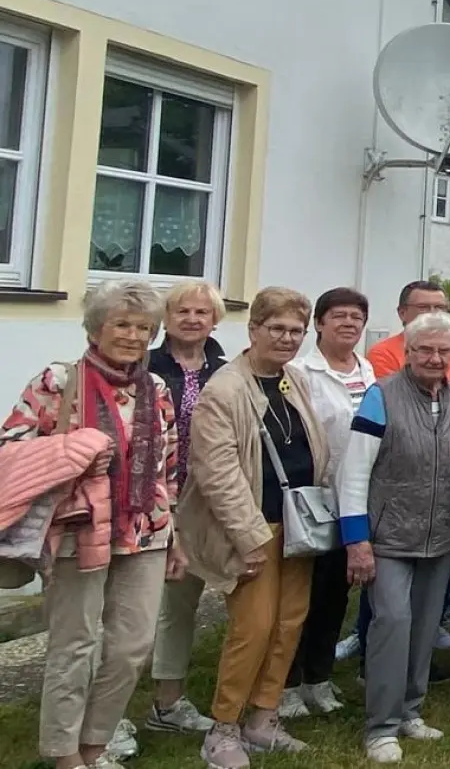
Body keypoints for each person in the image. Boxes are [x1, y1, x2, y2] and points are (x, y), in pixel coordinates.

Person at [2, 281, 178, 769]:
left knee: (133, 646)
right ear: (96, 328)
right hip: (77, 528)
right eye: (122, 324)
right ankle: (65, 755)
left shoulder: (156, 388)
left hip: (145, 529)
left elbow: (168, 465)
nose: (133, 336)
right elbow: (11, 445)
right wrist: (73, 452)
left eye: (144, 328)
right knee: (74, 645)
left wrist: (175, 531)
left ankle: (94, 745)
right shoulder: (58, 380)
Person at [183, 287, 330, 767]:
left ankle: (264, 718)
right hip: (253, 527)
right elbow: (217, 473)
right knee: (254, 627)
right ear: (253, 330)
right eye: (277, 329)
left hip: (297, 525)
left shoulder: (293, 380)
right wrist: (249, 539)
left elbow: (313, 446)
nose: (287, 339)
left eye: (296, 331)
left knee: (289, 623)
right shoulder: (224, 390)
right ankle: (223, 728)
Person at [338, 311, 450, 764]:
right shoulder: (381, 395)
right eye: (425, 349)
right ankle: (380, 727)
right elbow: (353, 472)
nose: (435, 358)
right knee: (392, 622)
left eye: (445, 351)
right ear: (409, 351)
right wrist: (356, 540)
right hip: (388, 535)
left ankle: (410, 711)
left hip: (441, 534)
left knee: (424, 627)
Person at [282, 287, 375, 719]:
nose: (349, 323)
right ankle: (285, 684)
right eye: (339, 315)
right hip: (315, 500)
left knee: (336, 596)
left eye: (356, 317)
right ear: (319, 323)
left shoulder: (367, 370)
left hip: (356, 499)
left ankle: (318, 678)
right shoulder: (300, 372)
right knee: (300, 598)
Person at [145, 281, 227, 738]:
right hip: (160, 498)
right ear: (167, 317)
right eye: (183, 311)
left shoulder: (226, 370)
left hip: (213, 499)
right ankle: (154, 703)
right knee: (156, 603)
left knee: (196, 599)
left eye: (202, 312)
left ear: (215, 320)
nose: (193, 319)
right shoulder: (146, 366)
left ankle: (181, 700)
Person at [365, 281, 450, 395]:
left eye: (439, 308)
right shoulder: (383, 354)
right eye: (423, 307)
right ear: (402, 313)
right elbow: (392, 397)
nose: (432, 313)